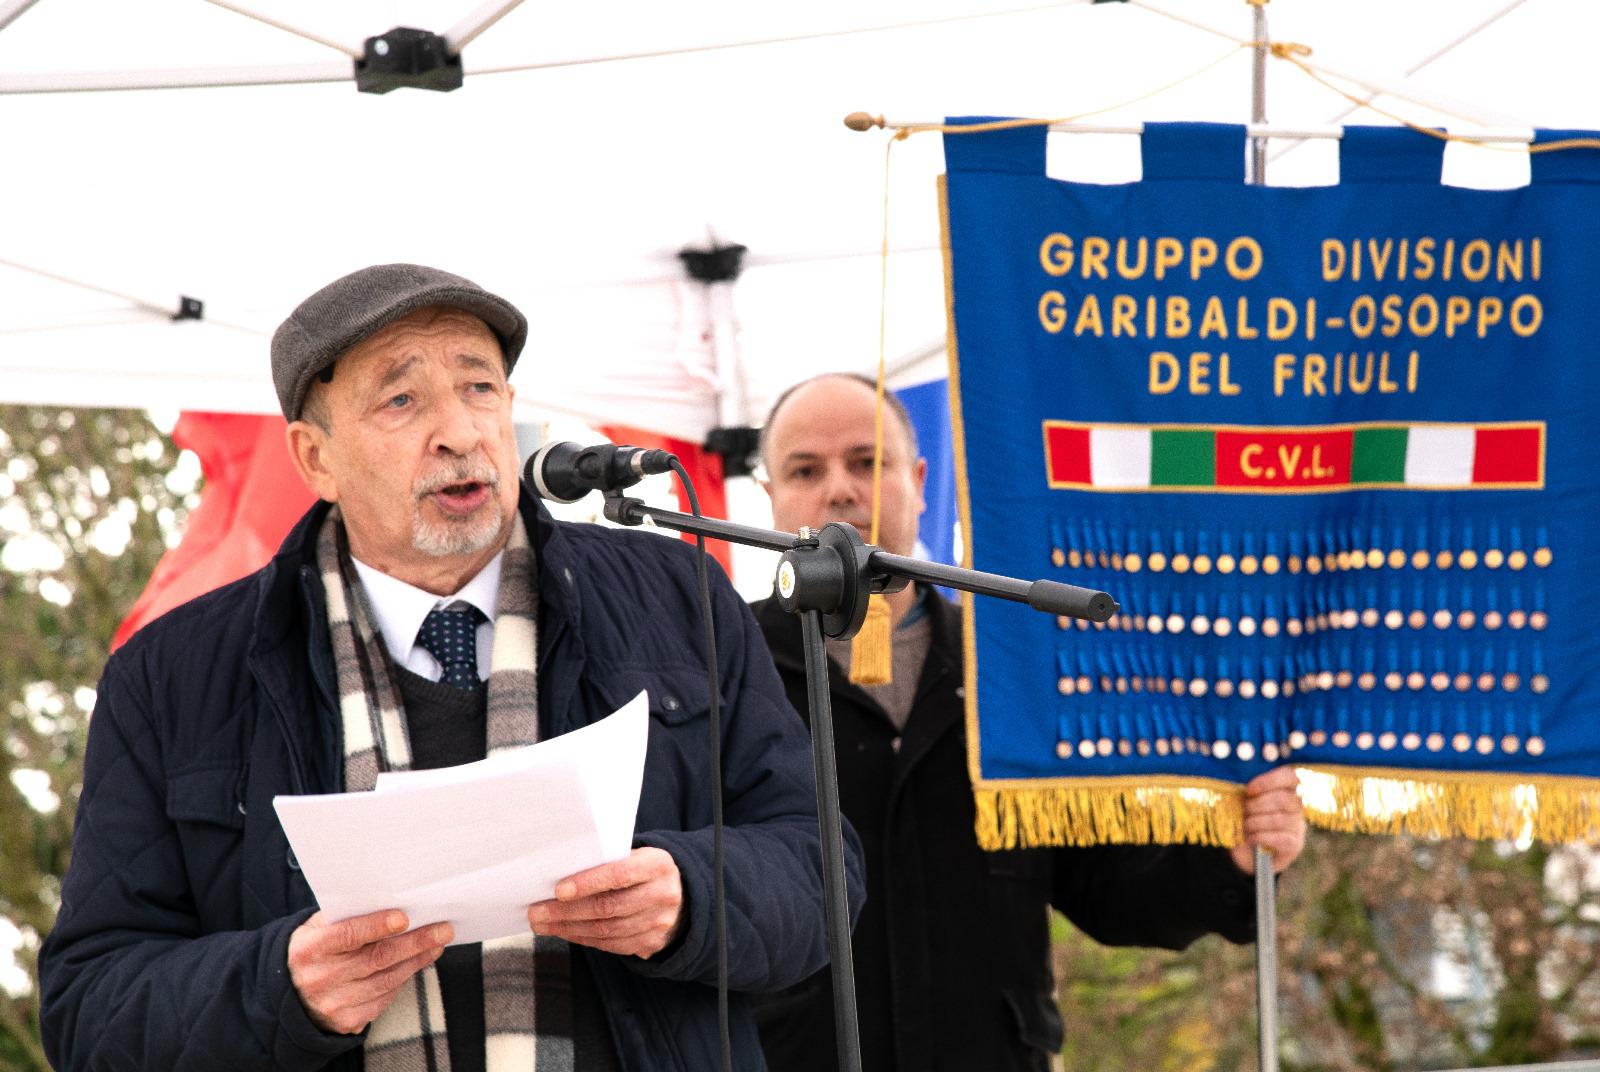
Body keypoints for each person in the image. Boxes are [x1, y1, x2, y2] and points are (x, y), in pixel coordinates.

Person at [39, 263, 862, 1072]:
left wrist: (690, 898)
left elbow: (823, 874)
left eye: (481, 389)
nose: (461, 435)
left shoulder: (680, 598)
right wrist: (282, 988)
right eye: (402, 400)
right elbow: (89, 1010)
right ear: (314, 458)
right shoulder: (172, 676)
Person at [750, 373, 1307, 1072]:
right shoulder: (721, 667)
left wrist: (1230, 861)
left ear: (920, 480)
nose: (840, 490)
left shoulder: (1009, 662)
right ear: (768, 497)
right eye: (806, 470)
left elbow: (1108, 886)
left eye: (868, 461)